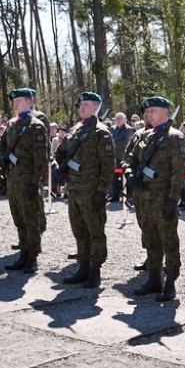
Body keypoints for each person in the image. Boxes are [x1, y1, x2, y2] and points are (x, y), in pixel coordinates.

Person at [122, 96, 185, 301]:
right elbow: (129, 158)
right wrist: (130, 173)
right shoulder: (144, 136)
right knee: (150, 239)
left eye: (153, 111)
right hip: (143, 197)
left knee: (169, 241)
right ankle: (154, 278)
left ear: (166, 112)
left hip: (162, 197)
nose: (149, 114)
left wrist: (172, 200)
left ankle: (170, 283)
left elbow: (178, 173)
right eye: (147, 112)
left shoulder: (174, 137)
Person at [53, 91, 114, 287]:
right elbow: (60, 152)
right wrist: (62, 169)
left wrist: (101, 189)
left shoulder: (101, 132)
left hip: (91, 189)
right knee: (79, 229)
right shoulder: (75, 130)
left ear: (96, 107)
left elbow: (108, 165)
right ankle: (83, 267)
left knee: (95, 230)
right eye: (80, 105)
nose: (82, 108)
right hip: (75, 188)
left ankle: (95, 271)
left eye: (86, 105)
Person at [0, 88, 49, 273]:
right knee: (18, 218)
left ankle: (32, 259)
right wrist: (4, 164)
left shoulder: (35, 125)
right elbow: (0, 146)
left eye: (19, 101)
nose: (15, 104)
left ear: (29, 102)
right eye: (14, 101)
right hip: (13, 179)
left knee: (31, 220)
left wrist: (35, 182)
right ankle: (23, 254)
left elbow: (41, 158)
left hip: (28, 180)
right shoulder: (12, 124)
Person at [109, 112, 135, 203]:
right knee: (114, 177)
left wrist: (111, 144)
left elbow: (125, 142)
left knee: (126, 177)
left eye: (120, 118)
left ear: (124, 120)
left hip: (123, 158)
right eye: (117, 118)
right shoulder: (113, 129)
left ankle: (128, 196)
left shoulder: (129, 129)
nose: (118, 120)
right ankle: (115, 195)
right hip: (114, 158)